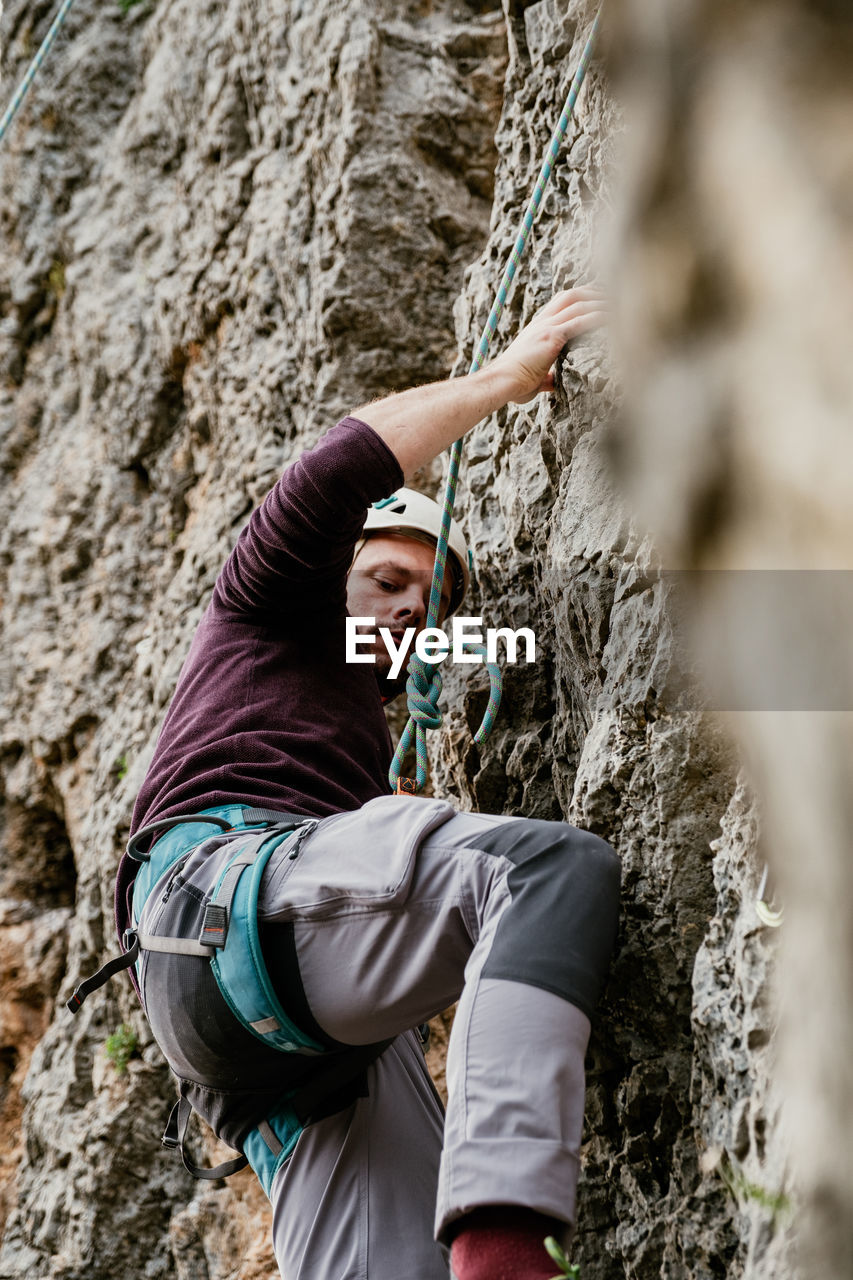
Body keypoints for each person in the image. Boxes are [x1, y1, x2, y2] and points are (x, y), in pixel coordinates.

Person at [116, 286, 620, 1280]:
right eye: (385, 580)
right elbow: (333, 469)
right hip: (222, 901)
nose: (403, 612)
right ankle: (511, 1241)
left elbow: (517, 636)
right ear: (332, 576)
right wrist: (508, 375)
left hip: (259, 1032)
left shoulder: (360, 695)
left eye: (427, 606)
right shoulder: (265, 613)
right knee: (539, 873)